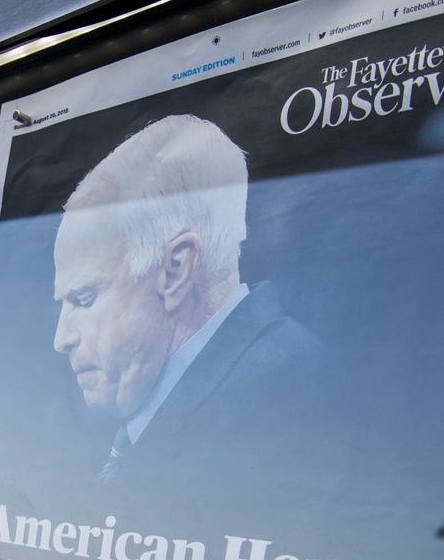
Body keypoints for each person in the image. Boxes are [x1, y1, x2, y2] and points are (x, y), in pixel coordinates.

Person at [49, 114, 324, 488]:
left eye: (83, 297)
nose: (61, 339)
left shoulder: (293, 396)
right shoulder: (166, 399)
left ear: (176, 269)